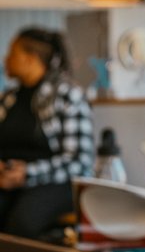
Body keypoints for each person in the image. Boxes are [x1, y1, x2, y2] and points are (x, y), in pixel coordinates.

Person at [0, 27, 94, 239]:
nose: (5, 59)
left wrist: (27, 174)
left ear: (31, 59)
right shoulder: (8, 98)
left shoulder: (68, 96)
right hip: (7, 180)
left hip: (53, 180)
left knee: (20, 225)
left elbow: (80, 162)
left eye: (12, 53)